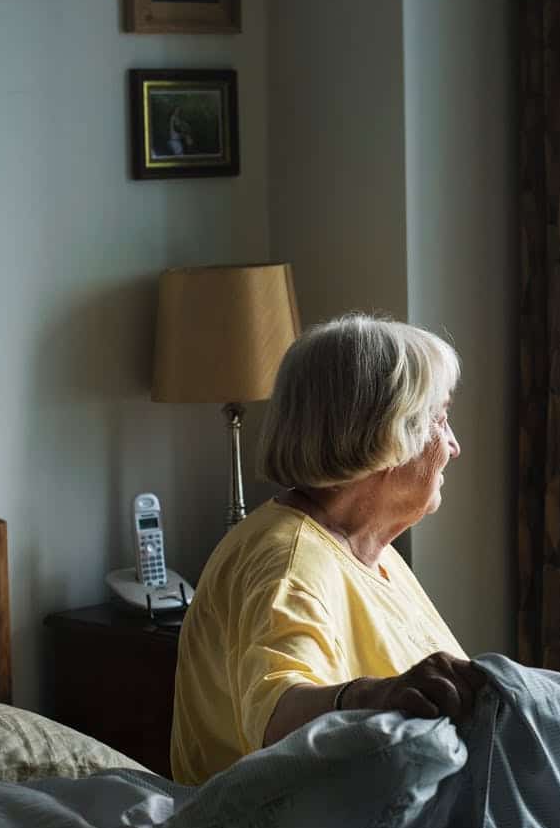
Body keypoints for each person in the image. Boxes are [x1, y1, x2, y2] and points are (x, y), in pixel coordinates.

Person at [169, 314, 485, 785]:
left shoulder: (369, 551)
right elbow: (277, 717)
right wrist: (378, 697)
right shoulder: (288, 560)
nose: (454, 445)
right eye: (439, 418)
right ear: (387, 433)